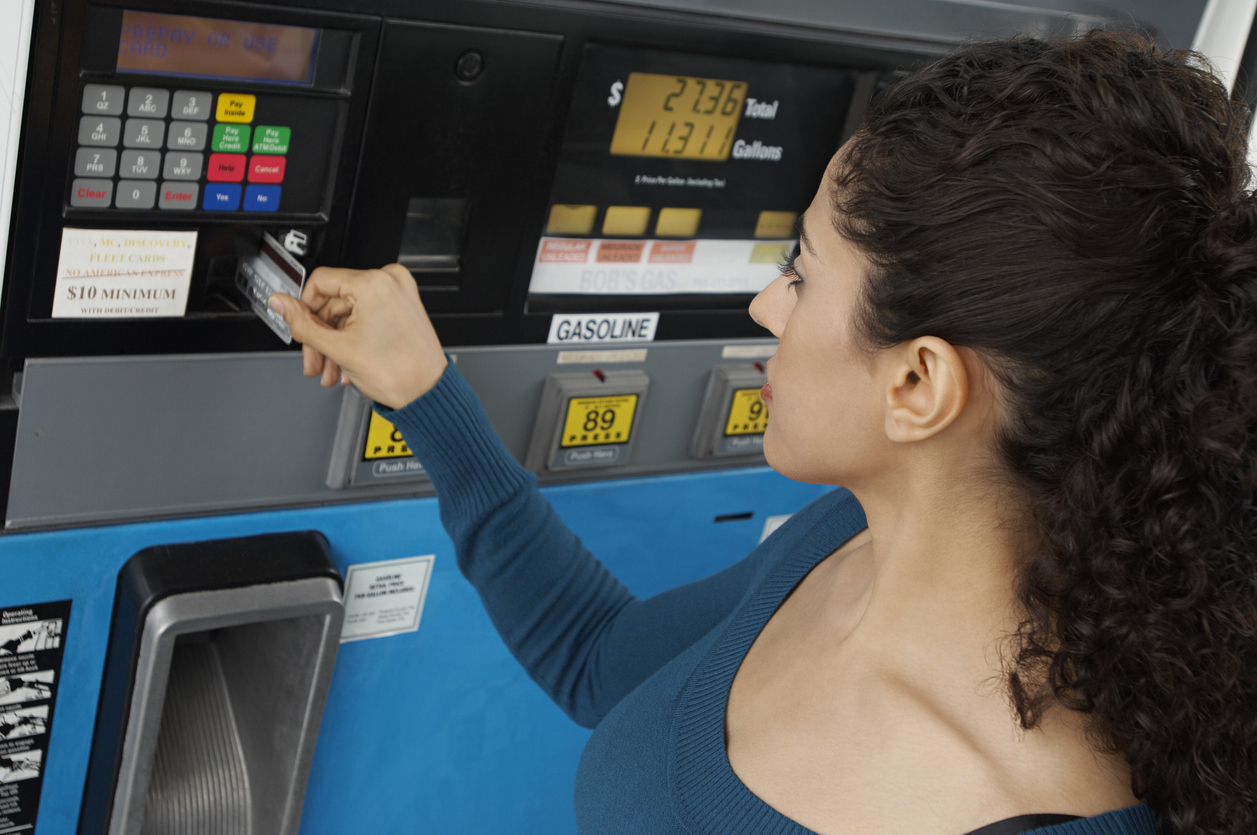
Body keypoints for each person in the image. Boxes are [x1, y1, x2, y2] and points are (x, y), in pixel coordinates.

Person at [270, 31, 1257, 835]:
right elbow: (597, 657)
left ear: (918, 382)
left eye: (801, 271)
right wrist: (425, 389)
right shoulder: (848, 547)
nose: (763, 305)